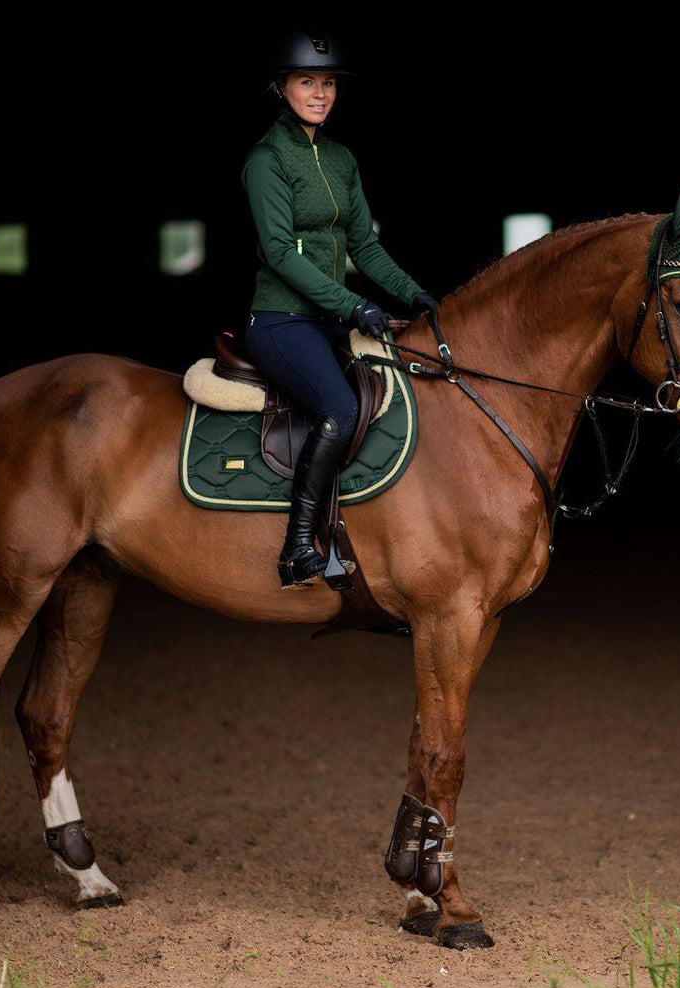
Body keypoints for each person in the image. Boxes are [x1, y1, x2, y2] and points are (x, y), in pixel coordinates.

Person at [241, 30, 438, 589]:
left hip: (328, 320)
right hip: (280, 320)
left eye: (327, 83)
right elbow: (279, 251)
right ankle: (298, 548)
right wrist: (354, 305)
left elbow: (365, 246)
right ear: (281, 88)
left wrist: (416, 293)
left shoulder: (341, 159)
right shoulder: (266, 159)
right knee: (341, 409)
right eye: (307, 81)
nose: (320, 93)